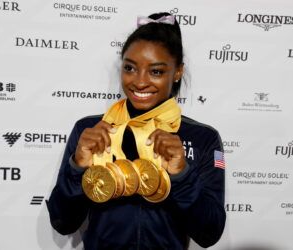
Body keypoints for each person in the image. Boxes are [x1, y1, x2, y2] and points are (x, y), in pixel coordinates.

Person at [47, 12, 225, 250]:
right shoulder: (90, 130)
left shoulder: (203, 138)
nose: (140, 82)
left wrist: (181, 175)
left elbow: (209, 233)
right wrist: (78, 167)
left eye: (156, 71)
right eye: (130, 68)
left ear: (178, 72)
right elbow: (63, 223)